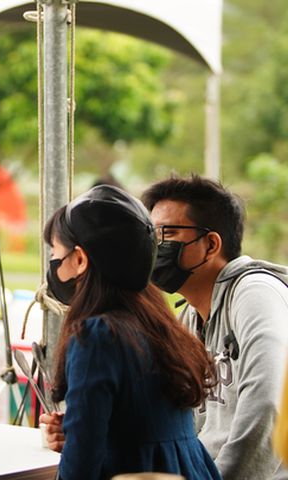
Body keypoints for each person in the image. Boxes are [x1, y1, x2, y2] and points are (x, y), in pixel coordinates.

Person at [38, 185, 220, 480]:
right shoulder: (159, 324)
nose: (53, 262)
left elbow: (81, 465)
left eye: (55, 252)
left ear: (81, 259)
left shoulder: (96, 335)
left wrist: (79, 436)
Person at [142, 174, 288, 480]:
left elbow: (267, 407)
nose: (156, 246)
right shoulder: (191, 317)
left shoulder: (255, 293)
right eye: (152, 235)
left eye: (167, 232)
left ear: (210, 244)